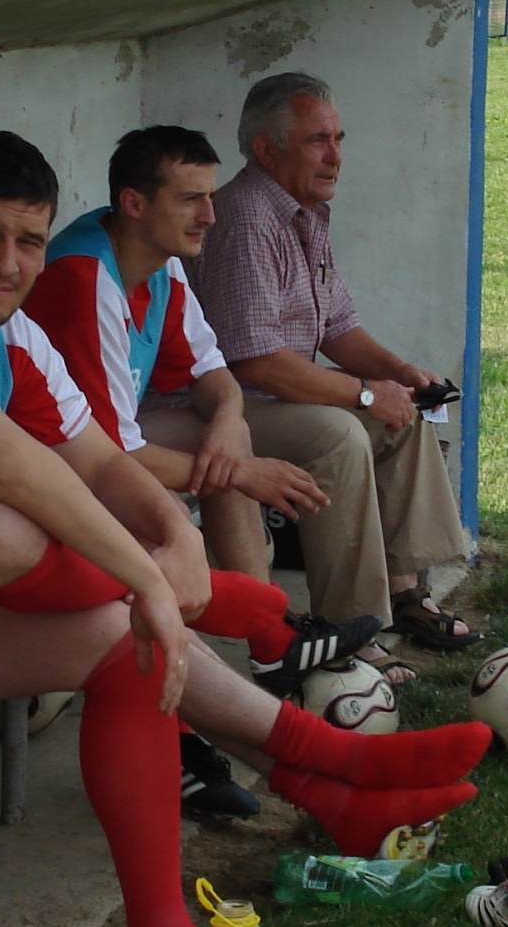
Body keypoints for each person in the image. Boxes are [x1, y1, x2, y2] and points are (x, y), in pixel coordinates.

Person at [0, 132, 493, 927]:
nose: (9, 263)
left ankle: (202, 905)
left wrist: (176, 539)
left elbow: (100, 461)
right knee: (0, 527)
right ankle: (311, 731)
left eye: (29, 241)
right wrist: (152, 578)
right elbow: (12, 465)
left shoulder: (10, 331)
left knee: (119, 642)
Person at [28, 125, 381, 818]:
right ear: (134, 203)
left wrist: (228, 419)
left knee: (220, 444)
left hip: (99, 450)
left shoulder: (160, 260)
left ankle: (270, 640)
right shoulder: (85, 276)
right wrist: (239, 472)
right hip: (45, 468)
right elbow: (105, 454)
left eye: (211, 197)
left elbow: (212, 370)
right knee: (178, 513)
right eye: (191, 199)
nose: (210, 216)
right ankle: (180, 736)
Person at [192, 71, 479, 684]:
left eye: (338, 138)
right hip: (227, 406)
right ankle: (351, 625)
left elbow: (336, 326)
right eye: (317, 140)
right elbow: (256, 361)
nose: (335, 156)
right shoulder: (247, 219)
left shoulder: (303, 212)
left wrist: (399, 374)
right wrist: (366, 393)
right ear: (267, 150)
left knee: (405, 415)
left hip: (276, 392)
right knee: (341, 435)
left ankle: (403, 593)